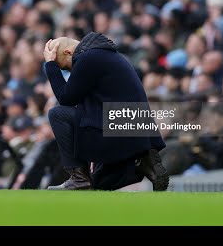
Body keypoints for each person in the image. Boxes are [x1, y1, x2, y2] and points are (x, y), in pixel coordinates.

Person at [43, 32, 168, 191]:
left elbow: (66, 98)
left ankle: (78, 178)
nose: (70, 71)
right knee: (97, 186)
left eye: (66, 67)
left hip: (116, 132)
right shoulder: (105, 54)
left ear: (68, 52)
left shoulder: (88, 58)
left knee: (58, 115)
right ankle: (140, 163)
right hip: (131, 135)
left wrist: (51, 66)